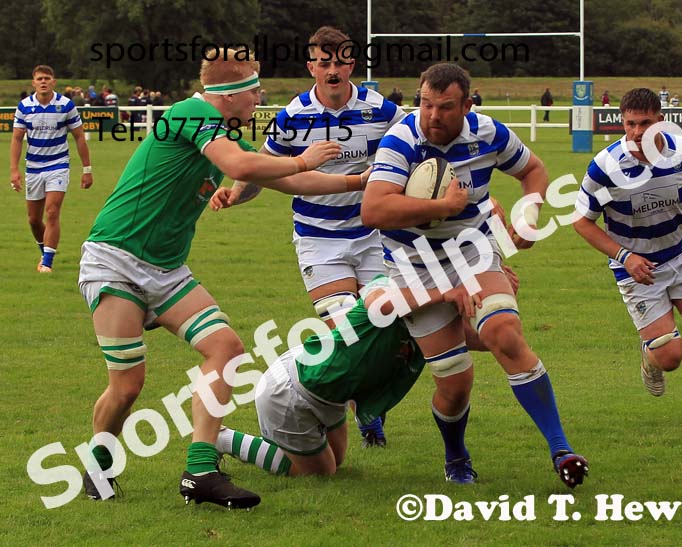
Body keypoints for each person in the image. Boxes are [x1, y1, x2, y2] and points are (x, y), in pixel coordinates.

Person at [77, 47, 359, 509]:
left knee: (225, 348)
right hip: (116, 260)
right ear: (229, 94)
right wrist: (304, 159)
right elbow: (245, 168)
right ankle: (98, 459)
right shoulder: (191, 113)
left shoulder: (219, 136)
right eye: (253, 89)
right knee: (127, 385)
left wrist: (360, 180)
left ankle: (201, 471)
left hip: (166, 270)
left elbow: (284, 182)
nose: (258, 98)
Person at [361, 62, 589, 488]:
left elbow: (533, 170)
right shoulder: (402, 139)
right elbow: (373, 210)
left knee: (505, 333)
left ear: (468, 104)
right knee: (457, 379)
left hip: (473, 253)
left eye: (445, 107)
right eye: (425, 104)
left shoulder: (489, 133)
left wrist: (528, 211)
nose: (432, 116)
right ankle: (456, 455)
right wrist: (442, 208)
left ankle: (561, 449)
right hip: (414, 266)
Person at [217, 26, 406, 447]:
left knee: (381, 324)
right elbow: (264, 168)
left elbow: (416, 150)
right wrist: (233, 194)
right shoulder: (292, 117)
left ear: (352, 64)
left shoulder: (383, 111)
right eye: (324, 62)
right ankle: (362, 410)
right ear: (311, 66)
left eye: (340, 61)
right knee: (346, 328)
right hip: (319, 239)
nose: (332, 69)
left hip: (375, 236)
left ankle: (368, 406)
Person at [217, 272, 514, 477]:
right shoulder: (386, 284)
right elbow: (378, 304)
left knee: (338, 460)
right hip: (295, 388)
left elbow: (483, 339)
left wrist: (497, 302)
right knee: (321, 473)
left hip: (329, 391)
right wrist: (443, 294)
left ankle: (288, 445)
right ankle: (224, 439)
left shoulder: (434, 321)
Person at [573, 88, 682, 422]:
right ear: (622, 122)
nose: (638, 132)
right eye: (630, 124)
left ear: (660, 120)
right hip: (638, 269)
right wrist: (625, 256)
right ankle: (651, 356)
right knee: (670, 357)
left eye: (645, 123)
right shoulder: (604, 167)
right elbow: (582, 223)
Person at [10, 65, 93, 273]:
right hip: (33, 168)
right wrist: (14, 170)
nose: (43, 81)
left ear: (53, 82)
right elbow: (17, 138)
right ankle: (44, 250)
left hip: (58, 165)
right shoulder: (24, 106)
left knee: (53, 211)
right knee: (34, 220)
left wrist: (87, 169)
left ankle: (47, 263)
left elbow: (79, 137)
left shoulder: (65, 105)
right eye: (40, 78)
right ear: (34, 82)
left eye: (47, 78)